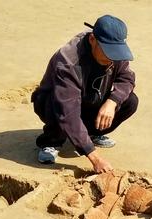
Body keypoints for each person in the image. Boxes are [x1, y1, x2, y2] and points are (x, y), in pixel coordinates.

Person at [32, 15, 138, 173]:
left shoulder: (116, 52)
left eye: (115, 52)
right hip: (56, 104)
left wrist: (112, 102)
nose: (111, 58)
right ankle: (51, 141)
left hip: (89, 98)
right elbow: (68, 112)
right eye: (107, 52)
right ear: (92, 39)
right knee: (59, 106)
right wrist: (94, 158)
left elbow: (127, 79)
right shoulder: (68, 61)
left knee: (130, 101)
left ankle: (90, 134)